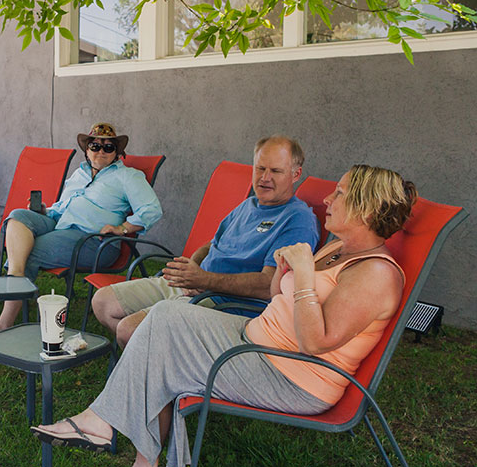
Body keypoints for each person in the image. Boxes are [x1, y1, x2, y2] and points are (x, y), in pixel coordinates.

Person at [32, 165, 415, 467]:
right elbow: (276, 295)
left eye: (341, 193)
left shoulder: (375, 274)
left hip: (293, 375)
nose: (329, 198)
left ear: (365, 208)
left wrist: (301, 275)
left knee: (164, 338)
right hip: (257, 340)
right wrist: (286, 270)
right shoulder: (338, 249)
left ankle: (117, 443)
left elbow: (315, 341)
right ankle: (130, 459)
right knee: (164, 317)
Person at [94, 136, 319, 345]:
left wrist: (203, 280)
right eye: (260, 168)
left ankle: (161, 364)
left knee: (129, 329)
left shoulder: (297, 220)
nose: (265, 178)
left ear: (295, 174)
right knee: (103, 302)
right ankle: (161, 359)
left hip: (226, 305)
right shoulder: (247, 206)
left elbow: (268, 286)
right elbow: (212, 244)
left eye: (276, 171)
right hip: (197, 285)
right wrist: (190, 268)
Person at [0, 123, 163, 331]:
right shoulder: (79, 174)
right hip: (60, 225)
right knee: (17, 216)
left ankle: (4, 322)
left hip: (93, 241)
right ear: (87, 150)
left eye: (108, 147)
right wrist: (44, 212)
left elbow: (152, 209)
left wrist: (122, 228)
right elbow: (60, 209)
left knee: (27, 250)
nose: (100, 151)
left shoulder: (128, 176)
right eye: (95, 146)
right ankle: (17, 276)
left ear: (117, 152)